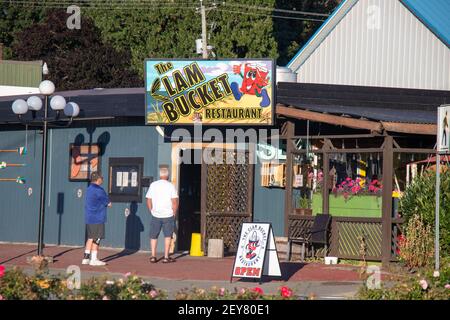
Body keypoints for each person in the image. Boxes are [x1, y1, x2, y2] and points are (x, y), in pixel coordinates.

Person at [146, 167, 178, 263]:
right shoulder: (171, 186)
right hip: (168, 214)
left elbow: (148, 199)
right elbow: (175, 201)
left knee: (153, 236)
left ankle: (153, 256)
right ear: (167, 175)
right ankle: (166, 257)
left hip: (156, 214)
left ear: (160, 175)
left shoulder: (153, 185)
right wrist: (174, 212)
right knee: (167, 236)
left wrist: (151, 210)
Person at [82, 172, 111, 266]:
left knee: (90, 237)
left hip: (89, 217)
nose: (102, 179)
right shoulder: (99, 190)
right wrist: (108, 203)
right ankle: (94, 259)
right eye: (101, 178)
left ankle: (86, 258)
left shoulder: (89, 188)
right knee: (97, 238)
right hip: (97, 218)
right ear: (98, 179)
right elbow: (107, 202)